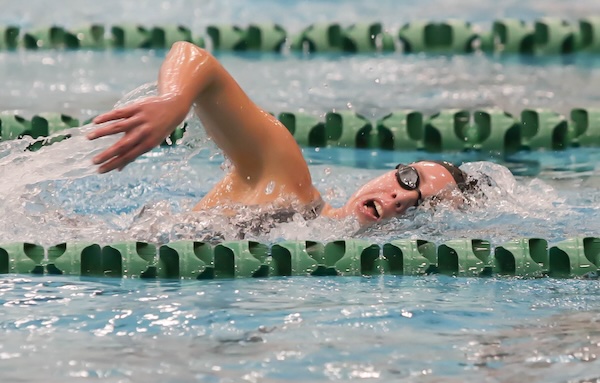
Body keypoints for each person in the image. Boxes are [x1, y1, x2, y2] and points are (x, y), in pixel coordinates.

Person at [87, 41, 475, 227]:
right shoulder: (286, 183)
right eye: (410, 180)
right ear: (390, 172)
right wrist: (173, 100)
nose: (401, 198)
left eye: (423, 205)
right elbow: (196, 60)